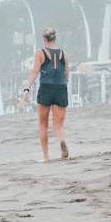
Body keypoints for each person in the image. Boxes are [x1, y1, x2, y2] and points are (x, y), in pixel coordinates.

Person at [21, 28, 70, 161]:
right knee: (58, 125)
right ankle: (62, 140)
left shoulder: (40, 53)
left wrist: (27, 89)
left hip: (46, 89)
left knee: (43, 124)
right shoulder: (63, 54)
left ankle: (46, 156)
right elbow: (67, 76)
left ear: (44, 40)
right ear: (54, 39)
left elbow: (35, 72)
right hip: (61, 88)